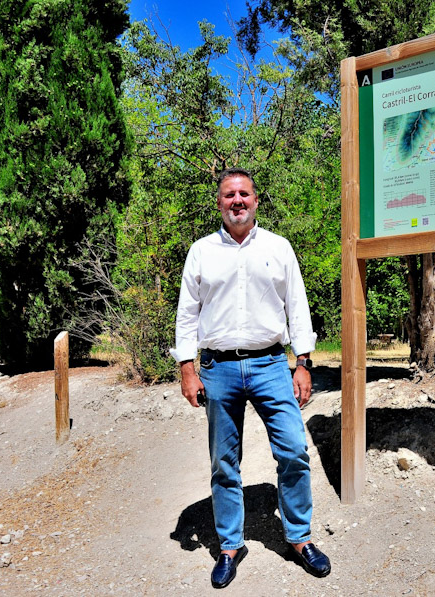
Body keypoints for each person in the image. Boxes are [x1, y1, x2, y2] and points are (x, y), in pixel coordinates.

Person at [170, 167, 331, 589]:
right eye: (229, 195)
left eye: (244, 194)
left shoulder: (278, 248)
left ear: (256, 201)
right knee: (224, 463)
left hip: (271, 365)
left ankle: (299, 538)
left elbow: (297, 306)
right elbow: (187, 313)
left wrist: (304, 362)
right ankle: (229, 545)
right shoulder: (201, 251)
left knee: (294, 450)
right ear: (219, 203)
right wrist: (187, 368)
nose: (237, 201)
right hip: (218, 369)